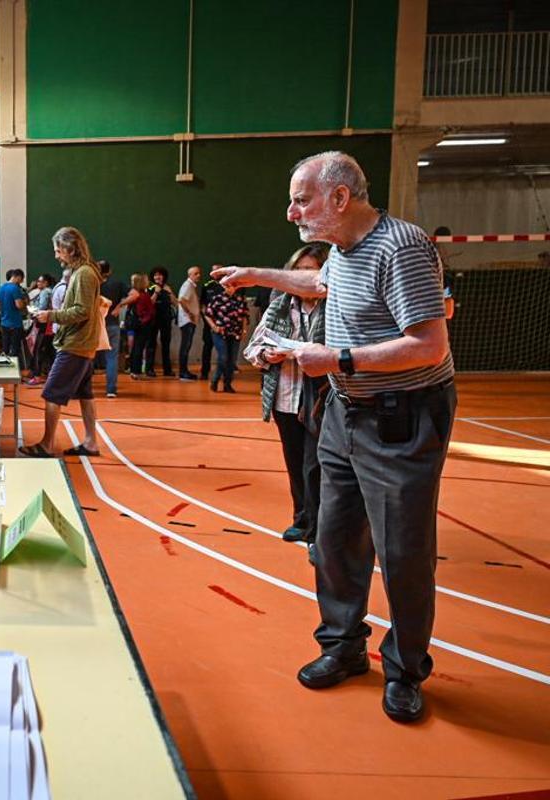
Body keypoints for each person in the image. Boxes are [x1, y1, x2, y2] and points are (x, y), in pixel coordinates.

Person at [214, 150, 455, 723]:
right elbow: (319, 284)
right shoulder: (344, 251)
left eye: (302, 199)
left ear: (340, 198)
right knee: (333, 540)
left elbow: (429, 345)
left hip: (401, 416)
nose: (291, 210)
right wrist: (256, 275)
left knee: (403, 553)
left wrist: (335, 358)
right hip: (345, 413)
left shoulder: (402, 247)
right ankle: (343, 648)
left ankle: (404, 669)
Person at [244, 245, 329, 558]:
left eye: (312, 271)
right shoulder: (279, 305)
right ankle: (302, 520)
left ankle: (320, 537)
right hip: (284, 398)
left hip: (320, 399)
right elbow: (253, 348)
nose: (304, 277)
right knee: (296, 465)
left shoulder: (333, 307)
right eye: (300, 271)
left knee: (315, 467)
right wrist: (268, 354)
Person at [21, 226, 103, 458]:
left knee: (51, 394)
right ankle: (90, 442)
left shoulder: (84, 273)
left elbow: (82, 311)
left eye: (58, 250)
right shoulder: (83, 272)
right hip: (82, 344)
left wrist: (51, 316)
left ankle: (47, 445)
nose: (56, 255)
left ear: (70, 248)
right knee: (85, 394)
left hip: (75, 344)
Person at [97, 260, 137, 398]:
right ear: (109, 271)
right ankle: (111, 390)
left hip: (95, 325)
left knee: (86, 358)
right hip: (112, 325)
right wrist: (120, 305)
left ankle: (84, 389)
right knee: (112, 358)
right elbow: (135, 294)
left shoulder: (92, 284)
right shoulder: (117, 284)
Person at [204, 283, 249, 393]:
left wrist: (244, 330)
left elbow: (244, 316)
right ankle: (215, 380)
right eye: (228, 286)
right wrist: (214, 327)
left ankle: (227, 383)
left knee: (232, 359)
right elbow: (208, 314)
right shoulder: (217, 299)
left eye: (233, 286)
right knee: (223, 357)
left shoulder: (240, 299)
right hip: (220, 332)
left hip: (235, 333)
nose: (230, 288)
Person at [144, 267, 178, 377]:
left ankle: (167, 370)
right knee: (151, 344)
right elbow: (149, 304)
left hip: (166, 319)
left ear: (164, 276)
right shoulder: (150, 288)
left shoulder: (167, 288)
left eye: (160, 275)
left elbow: (176, 303)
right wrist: (156, 293)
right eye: (155, 275)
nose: (158, 277)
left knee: (166, 344)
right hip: (153, 320)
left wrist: (170, 292)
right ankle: (149, 369)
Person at [0, 268, 29, 371]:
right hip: (15, 323)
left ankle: (5, 371)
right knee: (15, 349)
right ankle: (14, 371)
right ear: (17, 277)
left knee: (5, 347)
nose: (21, 282)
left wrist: (5, 307)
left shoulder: (1, 288)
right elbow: (19, 305)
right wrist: (25, 303)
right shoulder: (15, 289)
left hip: (4, 323)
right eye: (21, 279)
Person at [176, 266, 202, 380]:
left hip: (189, 321)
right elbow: (181, 300)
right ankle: (183, 372)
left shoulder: (191, 286)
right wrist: (190, 313)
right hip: (187, 321)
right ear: (190, 275)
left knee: (186, 346)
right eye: (196, 273)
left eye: (199, 273)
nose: (198, 275)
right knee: (185, 346)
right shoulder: (188, 285)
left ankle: (184, 371)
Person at [127, 273, 155, 378]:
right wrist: (145, 320)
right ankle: (136, 371)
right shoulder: (144, 296)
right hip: (143, 324)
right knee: (139, 347)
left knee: (135, 347)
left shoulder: (133, 295)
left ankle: (133, 370)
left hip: (135, 323)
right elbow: (149, 311)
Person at [200, 268, 223, 380]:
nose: (216, 273)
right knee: (207, 348)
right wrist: (208, 321)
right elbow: (203, 305)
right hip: (209, 323)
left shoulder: (227, 284)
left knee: (223, 350)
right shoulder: (207, 286)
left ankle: (223, 373)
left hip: (224, 323)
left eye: (219, 270)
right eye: (214, 270)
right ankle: (204, 372)